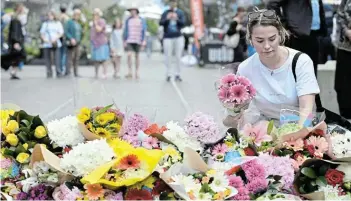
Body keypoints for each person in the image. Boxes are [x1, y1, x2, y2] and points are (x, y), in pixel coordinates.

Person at [224, 9, 320, 131]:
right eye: (259, 40)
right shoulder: (245, 68)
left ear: (280, 35)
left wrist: (297, 138)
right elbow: (234, 118)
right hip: (264, 131)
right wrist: (233, 111)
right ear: (250, 39)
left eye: (272, 39)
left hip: (301, 128)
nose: (267, 46)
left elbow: (306, 109)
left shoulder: (301, 62)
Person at [267, 0, 327, 76]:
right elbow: (272, 5)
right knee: (295, 75)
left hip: (315, 34)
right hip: (296, 35)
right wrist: (283, 26)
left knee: (311, 75)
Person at [159, 0, 186, 82]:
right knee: (168, 56)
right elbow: (160, 23)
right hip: (167, 37)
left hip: (178, 37)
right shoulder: (165, 12)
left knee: (178, 56)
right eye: (171, 2)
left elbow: (183, 23)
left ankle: (178, 74)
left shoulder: (180, 12)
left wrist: (176, 18)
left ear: (176, 3)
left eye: (174, 2)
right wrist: (167, 18)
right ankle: (168, 74)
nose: (172, 4)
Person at [335, 0, 351, 119]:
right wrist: (347, 31)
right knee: (342, 86)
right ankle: (346, 120)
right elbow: (340, 15)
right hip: (345, 48)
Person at [1, 4, 27, 79]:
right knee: (16, 56)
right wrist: (16, 42)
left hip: (17, 40)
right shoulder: (15, 19)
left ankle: (13, 72)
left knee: (16, 56)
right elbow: (15, 32)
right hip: (16, 41)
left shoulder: (17, 18)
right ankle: (9, 68)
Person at [123, 6, 147, 79]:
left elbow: (144, 30)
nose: (132, 12)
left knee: (137, 56)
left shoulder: (141, 20)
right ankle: (130, 71)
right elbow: (125, 30)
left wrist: (144, 41)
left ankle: (137, 72)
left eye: (133, 10)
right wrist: (124, 40)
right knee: (129, 55)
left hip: (138, 40)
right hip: (130, 39)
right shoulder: (128, 20)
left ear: (136, 11)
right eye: (130, 11)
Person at [40, 11, 64, 78]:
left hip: (56, 43)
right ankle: (49, 72)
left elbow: (61, 33)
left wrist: (55, 38)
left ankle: (58, 72)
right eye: (48, 15)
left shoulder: (58, 23)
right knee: (48, 59)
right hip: (47, 43)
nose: (50, 17)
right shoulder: (45, 24)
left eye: (51, 15)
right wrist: (45, 40)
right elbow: (42, 33)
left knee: (57, 58)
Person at [90, 8, 110, 79]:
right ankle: (96, 73)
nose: (94, 15)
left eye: (96, 14)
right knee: (96, 59)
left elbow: (99, 30)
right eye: (94, 14)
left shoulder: (102, 21)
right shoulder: (93, 22)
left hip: (102, 43)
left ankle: (105, 73)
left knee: (103, 58)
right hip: (94, 43)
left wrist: (95, 23)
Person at [64, 9, 83, 77]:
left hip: (77, 43)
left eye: (78, 15)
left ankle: (76, 72)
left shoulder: (79, 24)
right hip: (71, 42)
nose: (77, 16)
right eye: (76, 14)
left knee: (76, 58)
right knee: (69, 57)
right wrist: (71, 38)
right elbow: (66, 32)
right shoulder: (69, 22)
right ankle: (68, 72)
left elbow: (80, 33)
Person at [59, 6, 70, 75]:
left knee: (60, 53)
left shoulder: (58, 17)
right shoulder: (67, 18)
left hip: (59, 37)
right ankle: (63, 68)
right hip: (65, 37)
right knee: (64, 53)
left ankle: (61, 67)